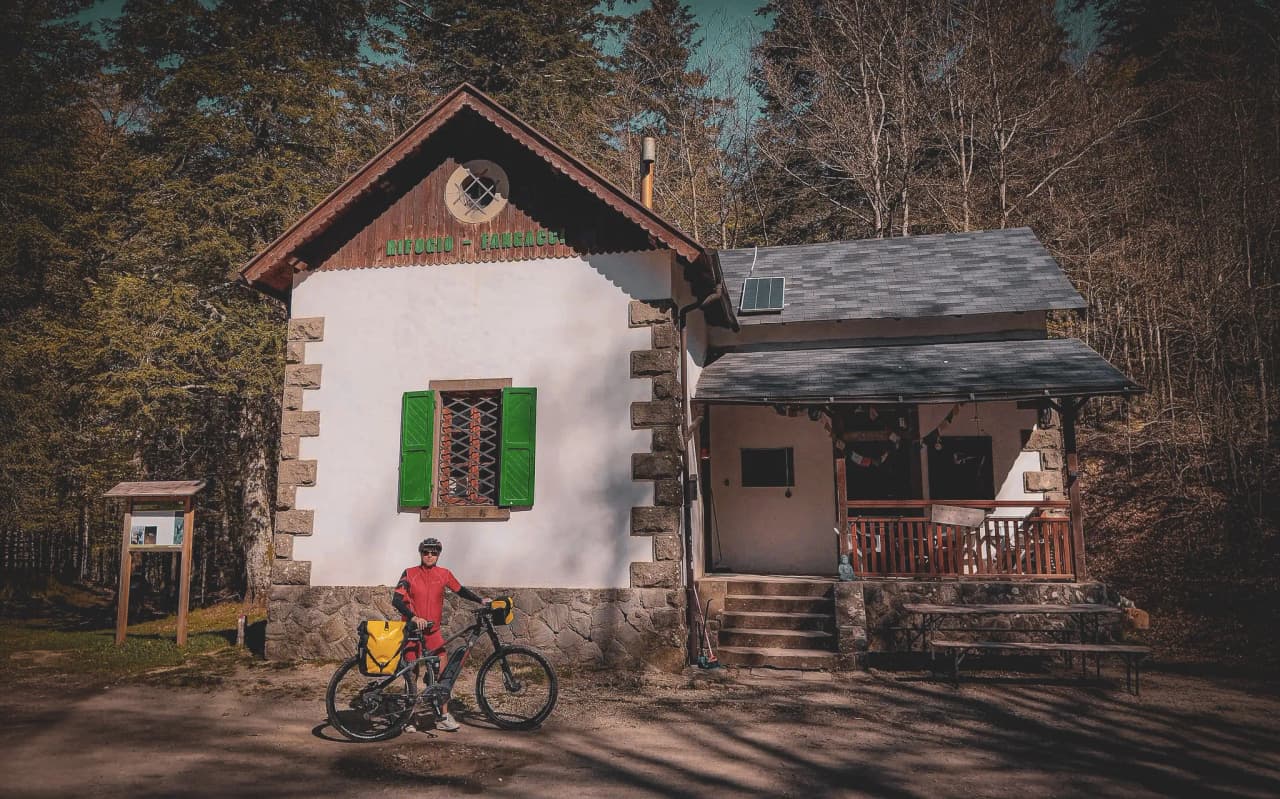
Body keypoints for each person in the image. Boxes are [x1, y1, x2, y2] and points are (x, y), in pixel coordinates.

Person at [391, 537, 488, 732]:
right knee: (412, 674)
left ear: (438, 555)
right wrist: (412, 617)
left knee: (443, 674)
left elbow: (461, 591)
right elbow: (397, 600)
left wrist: (480, 600)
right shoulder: (409, 573)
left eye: (433, 553)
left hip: (432, 632)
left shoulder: (444, 574)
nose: (429, 556)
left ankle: (443, 716)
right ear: (421, 553)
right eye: (426, 552)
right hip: (412, 631)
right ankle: (409, 717)